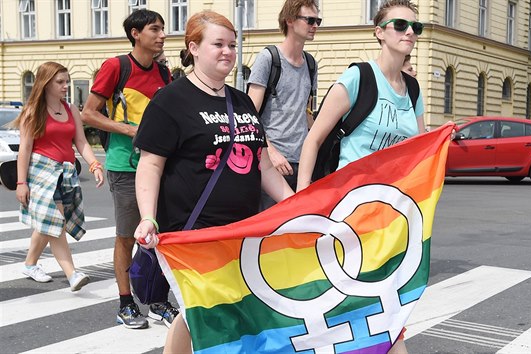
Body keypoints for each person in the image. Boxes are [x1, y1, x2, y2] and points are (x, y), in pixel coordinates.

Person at [132, 10, 295, 353]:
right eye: (218, 44)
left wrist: (297, 205)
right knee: (206, 306)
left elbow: (262, 165)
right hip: (195, 231)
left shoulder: (242, 101)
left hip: (241, 230)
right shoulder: (171, 100)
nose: (228, 52)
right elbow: (150, 164)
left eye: (232, 45)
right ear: (193, 47)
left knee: (203, 310)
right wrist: (148, 217)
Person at [297, 1, 425, 352]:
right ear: (379, 32)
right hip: (347, 212)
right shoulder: (359, 78)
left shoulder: (413, 91)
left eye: (416, 27)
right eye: (400, 25)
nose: (410, 32)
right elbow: (314, 138)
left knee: (389, 301)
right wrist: (302, 199)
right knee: (347, 301)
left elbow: (418, 153)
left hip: (389, 215)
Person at [80, 9, 177, 330]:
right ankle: (126, 303)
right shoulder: (116, 67)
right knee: (126, 236)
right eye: (155, 29)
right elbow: (88, 114)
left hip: (160, 167)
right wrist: (130, 130)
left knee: (160, 236)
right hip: (125, 166)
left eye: (163, 29)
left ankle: (158, 300)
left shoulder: (164, 74)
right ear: (136, 33)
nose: (162, 35)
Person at [13, 61, 104, 291]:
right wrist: (21, 183)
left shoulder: (71, 109)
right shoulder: (33, 111)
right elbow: (24, 149)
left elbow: (81, 141)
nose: (65, 86)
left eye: (67, 82)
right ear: (46, 83)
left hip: (65, 172)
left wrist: (94, 164)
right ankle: (72, 274)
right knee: (56, 219)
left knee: (47, 221)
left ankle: (30, 263)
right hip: (41, 171)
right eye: (60, 82)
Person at [247, 0, 320, 210]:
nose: (315, 25)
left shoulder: (311, 64)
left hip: (302, 163)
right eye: (309, 20)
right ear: (289, 21)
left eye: (318, 21)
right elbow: (250, 117)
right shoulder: (269, 58)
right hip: (271, 163)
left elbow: (306, 112)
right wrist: (270, 152)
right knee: (269, 232)